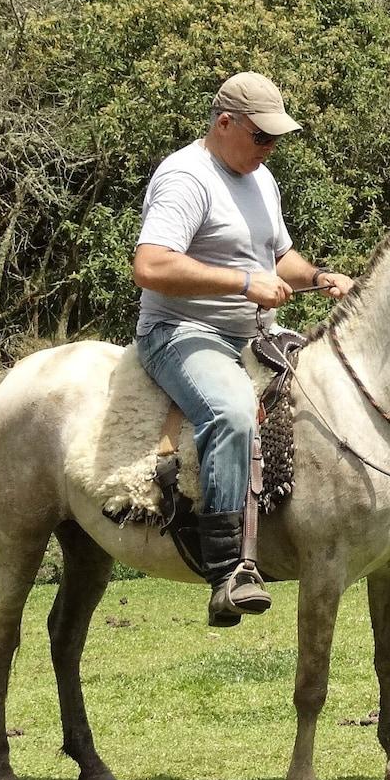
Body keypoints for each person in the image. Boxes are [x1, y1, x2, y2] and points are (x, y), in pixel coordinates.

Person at [132, 71, 354, 626]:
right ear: (224, 123)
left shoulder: (262, 179)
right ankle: (228, 572)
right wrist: (240, 282)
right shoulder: (186, 177)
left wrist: (321, 276)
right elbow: (151, 266)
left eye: (275, 138)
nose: (269, 147)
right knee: (232, 413)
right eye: (261, 136)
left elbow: (280, 260)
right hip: (183, 332)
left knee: (337, 388)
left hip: (255, 335)